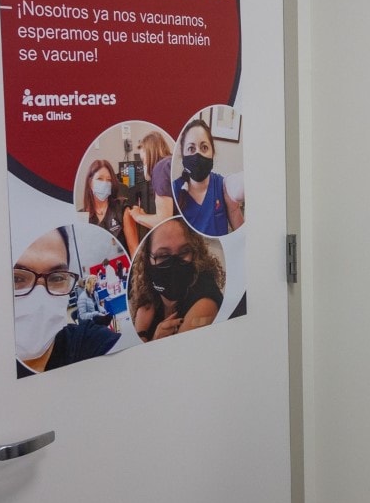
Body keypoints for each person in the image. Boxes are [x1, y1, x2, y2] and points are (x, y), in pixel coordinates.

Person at [14, 226, 119, 376]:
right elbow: (84, 315)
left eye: (57, 278)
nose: (39, 299)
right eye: (17, 278)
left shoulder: (86, 345)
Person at [130, 217, 224, 342]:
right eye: (163, 255)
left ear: (195, 252)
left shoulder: (205, 302)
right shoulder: (148, 293)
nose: (174, 264)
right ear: (147, 259)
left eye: (184, 252)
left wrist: (141, 333)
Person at [172, 118, 245, 236]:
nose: (198, 154)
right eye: (191, 148)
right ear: (183, 155)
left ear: (212, 152)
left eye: (204, 147)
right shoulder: (174, 190)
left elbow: (242, 237)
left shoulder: (223, 186)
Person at [79, 157, 137, 253]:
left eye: (109, 180)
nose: (104, 183)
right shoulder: (82, 216)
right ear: (90, 183)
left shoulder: (122, 208)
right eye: (100, 179)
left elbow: (134, 249)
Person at [127, 130, 176, 231]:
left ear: (150, 154)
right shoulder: (171, 163)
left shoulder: (160, 168)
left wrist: (137, 216)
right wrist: (145, 217)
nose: (143, 165)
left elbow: (164, 223)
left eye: (143, 160)